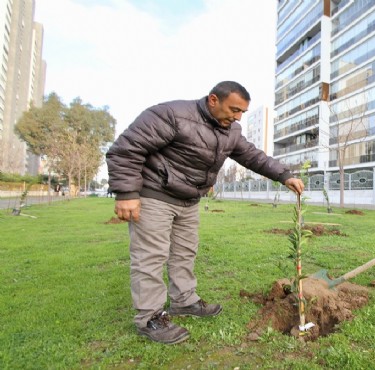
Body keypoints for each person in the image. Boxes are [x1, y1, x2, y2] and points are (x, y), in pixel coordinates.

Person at [106, 81, 305, 344]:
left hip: (189, 199)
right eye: (234, 109)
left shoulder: (231, 131)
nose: (237, 117)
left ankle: (184, 301)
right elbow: (126, 149)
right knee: (150, 257)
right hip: (155, 194)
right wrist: (127, 194)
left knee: (185, 252)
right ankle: (150, 318)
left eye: (242, 113)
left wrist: (284, 175)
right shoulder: (172, 114)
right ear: (213, 100)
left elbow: (253, 157)